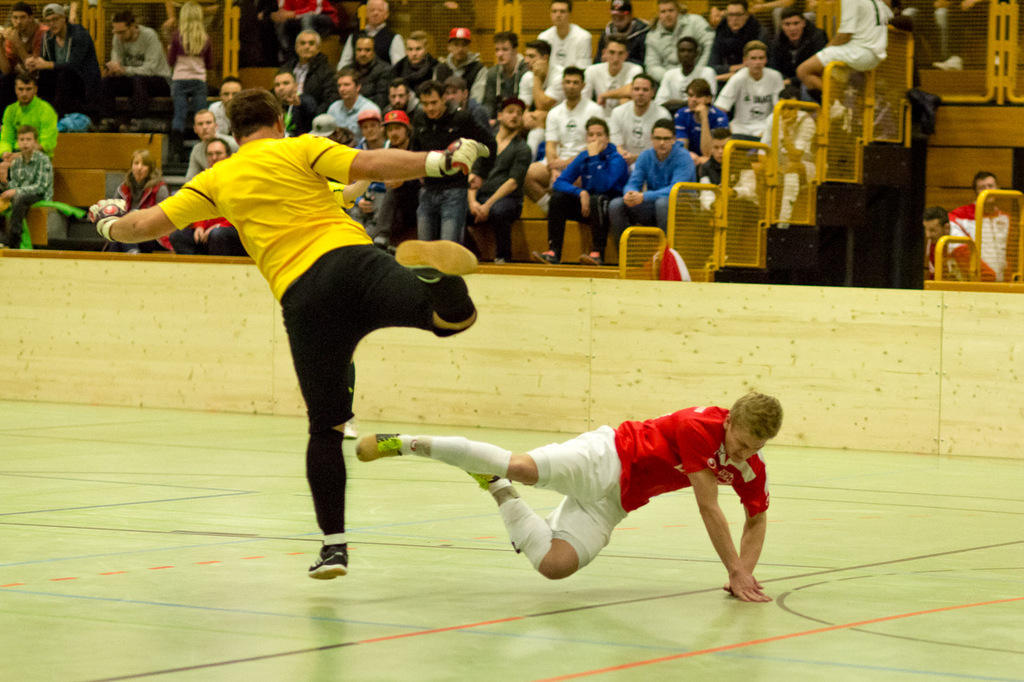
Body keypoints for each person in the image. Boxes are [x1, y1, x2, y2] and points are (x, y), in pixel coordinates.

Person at [87, 87, 491, 579]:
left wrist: (108, 225)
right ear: (279, 121)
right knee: (453, 321)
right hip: (354, 262)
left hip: (303, 297)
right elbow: (368, 164)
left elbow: (144, 226)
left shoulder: (216, 177)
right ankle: (436, 277)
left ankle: (334, 548)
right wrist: (440, 161)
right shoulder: (300, 147)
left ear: (233, 133)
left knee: (326, 428)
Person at [357, 391, 782, 600]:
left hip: (618, 501)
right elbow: (708, 505)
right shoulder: (698, 427)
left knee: (554, 565)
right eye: (740, 442)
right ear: (728, 421)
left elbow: (757, 517)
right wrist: (735, 570)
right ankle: (405, 443)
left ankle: (495, 485)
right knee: (523, 467)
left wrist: (741, 573)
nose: (742, 454)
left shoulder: (750, 466)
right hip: (608, 456)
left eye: (754, 448)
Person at [533, 117, 629, 266]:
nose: (594, 139)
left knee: (597, 199)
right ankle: (554, 252)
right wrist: (580, 192)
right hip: (588, 206)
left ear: (607, 138)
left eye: (599, 135)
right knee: (558, 198)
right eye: (591, 135)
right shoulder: (583, 156)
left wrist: (594, 157)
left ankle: (598, 253)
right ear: (586, 138)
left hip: (609, 207)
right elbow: (559, 182)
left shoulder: (617, 159)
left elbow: (602, 186)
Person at [411, 79, 496, 243]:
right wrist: (416, 170)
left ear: (444, 99)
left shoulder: (461, 118)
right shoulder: (419, 118)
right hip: (427, 189)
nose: (429, 108)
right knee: (424, 246)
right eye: (425, 104)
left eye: (434, 103)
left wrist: (480, 173)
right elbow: (414, 147)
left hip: (454, 189)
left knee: (449, 246)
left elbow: (488, 144)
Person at [523, 66, 603, 211]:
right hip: (558, 162)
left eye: (575, 83)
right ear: (562, 84)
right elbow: (550, 144)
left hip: (582, 162)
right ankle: (549, 208)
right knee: (526, 174)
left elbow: (596, 145)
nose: (571, 86)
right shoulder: (554, 112)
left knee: (576, 179)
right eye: (568, 82)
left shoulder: (595, 110)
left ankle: (565, 210)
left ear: (583, 86)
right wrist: (554, 168)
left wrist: (566, 164)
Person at [467, 97, 531, 264]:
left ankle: (503, 257)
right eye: (510, 112)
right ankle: (472, 254)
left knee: (499, 211)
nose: (515, 116)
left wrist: (487, 205)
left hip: (509, 199)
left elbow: (513, 182)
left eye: (519, 113)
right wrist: (472, 202)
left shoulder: (523, 148)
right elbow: (474, 173)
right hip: (481, 195)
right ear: (500, 115)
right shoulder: (486, 143)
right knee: (457, 208)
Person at [609, 118, 696, 240]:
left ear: (674, 139)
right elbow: (633, 182)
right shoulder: (645, 155)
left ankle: (666, 250)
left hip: (683, 207)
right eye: (658, 138)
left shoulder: (684, 157)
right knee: (616, 205)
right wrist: (630, 193)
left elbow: (674, 190)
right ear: (651, 138)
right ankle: (625, 250)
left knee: (662, 203)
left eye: (666, 139)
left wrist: (643, 196)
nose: (662, 143)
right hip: (654, 204)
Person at [168, 138, 247, 256]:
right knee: (177, 235)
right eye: (210, 154)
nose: (214, 157)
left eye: (218, 153)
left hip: (231, 230)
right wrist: (199, 226)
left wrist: (219, 226)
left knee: (217, 235)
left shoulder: (239, 179)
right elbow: (198, 206)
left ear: (229, 156)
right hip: (209, 231)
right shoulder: (204, 178)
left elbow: (241, 213)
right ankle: (196, 266)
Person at [796, 0, 892, 95]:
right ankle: (840, 97)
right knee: (825, 71)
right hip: (876, 57)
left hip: (859, 53)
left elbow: (844, 35)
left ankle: (835, 99)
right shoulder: (878, 2)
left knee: (803, 71)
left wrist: (826, 50)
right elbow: (890, 15)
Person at [100, 10, 172, 128]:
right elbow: (117, 62)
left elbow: (150, 69)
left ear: (133, 26)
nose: (119, 36)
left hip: (159, 79)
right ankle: (108, 120)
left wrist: (124, 70)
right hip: (133, 79)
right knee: (107, 82)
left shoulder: (149, 35)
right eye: (116, 32)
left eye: (122, 32)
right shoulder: (117, 37)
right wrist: (112, 70)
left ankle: (138, 121)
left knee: (139, 80)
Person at [30, 3, 102, 119]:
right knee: (43, 75)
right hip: (60, 80)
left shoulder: (79, 34)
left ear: (64, 18)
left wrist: (47, 64)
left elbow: (74, 65)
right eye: (48, 21)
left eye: (55, 19)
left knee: (65, 75)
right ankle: (43, 116)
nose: (52, 24)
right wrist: (34, 63)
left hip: (83, 82)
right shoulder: (47, 37)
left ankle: (58, 117)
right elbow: (44, 62)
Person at [167, 2, 213, 164]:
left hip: (180, 79)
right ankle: (204, 147)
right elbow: (209, 64)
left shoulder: (177, 37)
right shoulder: (205, 38)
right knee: (201, 113)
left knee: (179, 113)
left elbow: (171, 61)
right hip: (199, 79)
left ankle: (176, 153)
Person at [103, 148, 170, 254]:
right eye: (136, 163)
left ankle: (130, 255)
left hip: (153, 234)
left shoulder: (159, 188)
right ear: (131, 166)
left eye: (144, 165)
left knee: (123, 235)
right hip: (128, 231)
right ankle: (130, 253)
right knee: (117, 237)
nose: (139, 168)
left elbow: (163, 217)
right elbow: (114, 213)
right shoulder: (123, 188)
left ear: (150, 168)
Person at [714, 40, 783, 141]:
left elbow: (780, 109)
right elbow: (720, 108)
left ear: (766, 60)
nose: (757, 62)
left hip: (765, 128)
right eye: (753, 58)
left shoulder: (775, 76)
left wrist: (769, 129)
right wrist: (726, 130)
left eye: (761, 58)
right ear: (745, 61)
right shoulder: (738, 78)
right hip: (739, 128)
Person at [947, 171, 1007, 282]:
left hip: (1004, 283)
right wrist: (987, 275)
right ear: (975, 192)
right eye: (982, 187)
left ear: (998, 188)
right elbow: (959, 250)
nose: (987, 190)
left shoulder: (1006, 218)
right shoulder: (960, 216)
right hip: (976, 281)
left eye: (990, 186)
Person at [0, 125, 52, 249]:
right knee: (6, 196)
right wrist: (4, 182)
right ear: (18, 142)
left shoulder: (43, 160)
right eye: (22, 140)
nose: (25, 143)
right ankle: (1, 237)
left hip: (39, 195)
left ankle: (14, 240)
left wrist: (15, 191)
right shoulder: (17, 162)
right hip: (21, 193)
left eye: (28, 139)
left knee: (19, 198)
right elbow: (14, 184)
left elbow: (41, 187)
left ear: (35, 142)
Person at [374, 108, 419, 249]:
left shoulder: (417, 146)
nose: (393, 133)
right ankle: (383, 239)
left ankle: (382, 234)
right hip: (401, 204)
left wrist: (404, 181)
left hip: (421, 197)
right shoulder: (389, 152)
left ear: (407, 130)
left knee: (393, 192)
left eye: (398, 128)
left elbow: (427, 177)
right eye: (390, 130)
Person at [609, 73, 671, 166]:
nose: (640, 93)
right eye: (636, 89)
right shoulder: (617, 112)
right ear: (631, 91)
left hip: (653, 162)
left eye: (645, 90)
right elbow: (616, 145)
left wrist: (637, 158)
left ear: (652, 93)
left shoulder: (663, 115)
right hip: (624, 161)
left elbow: (663, 147)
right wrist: (624, 155)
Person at [644, 0, 714, 83]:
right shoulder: (652, 36)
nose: (667, 15)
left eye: (671, 10)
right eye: (663, 12)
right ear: (658, 15)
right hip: (668, 80)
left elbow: (710, 46)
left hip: (698, 76)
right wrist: (673, 79)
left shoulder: (696, 22)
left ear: (678, 11)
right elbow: (652, 66)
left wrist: (698, 73)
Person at [471, 31, 529, 125]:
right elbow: (489, 103)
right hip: (499, 120)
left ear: (515, 51)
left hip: (520, 118)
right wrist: (487, 119)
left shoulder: (526, 72)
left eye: (505, 49)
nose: (500, 54)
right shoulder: (492, 73)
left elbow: (526, 104)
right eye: (497, 50)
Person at [0, 2, 47, 110]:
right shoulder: (13, 33)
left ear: (31, 18)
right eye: (15, 18)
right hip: (21, 75)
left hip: (41, 75)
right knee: (4, 79)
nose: (18, 22)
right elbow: (6, 70)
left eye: (22, 17)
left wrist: (17, 43)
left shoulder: (42, 33)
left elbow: (34, 68)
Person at [583, 35, 643, 119]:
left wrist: (605, 95)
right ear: (604, 53)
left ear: (626, 55)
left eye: (620, 53)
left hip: (623, 118)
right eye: (612, 52)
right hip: (599, 118)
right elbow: (584, 99)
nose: (616, 58)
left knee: (625, 99)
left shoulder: (635, 69)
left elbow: (631, 89)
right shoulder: (592, 70)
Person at [280, 30, 339, 114]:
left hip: (312, 114)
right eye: (302, 43)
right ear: (296, 47)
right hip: (287, 110)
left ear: (318, 48)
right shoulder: (287, 68)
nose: (306, 47)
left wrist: (314, 115)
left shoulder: (327, 70)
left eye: (311, 43)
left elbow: (331, 99)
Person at [768, 7, 827, 89]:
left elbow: (818, 69)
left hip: (810, 81)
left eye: (796, 23)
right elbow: (774, 68)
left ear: (803, 23)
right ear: (781, 26)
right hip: (785, 84)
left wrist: (792, 81)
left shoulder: (817, 37)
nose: (792, 29)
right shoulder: (777, 42)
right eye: (787, 24)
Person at [655, 36, 719, 110]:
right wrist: (691, 102)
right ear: (677, 53)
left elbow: (709, 101)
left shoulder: (708, 72)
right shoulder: (669, 74)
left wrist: (675, 103)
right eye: (682, 51)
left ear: (696, 53)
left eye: (689, 51)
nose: (685, 54)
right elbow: (659, 103)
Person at [674, 78, 730, 162]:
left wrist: (704, 118)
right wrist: (691, 157)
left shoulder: (720, 117)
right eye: (690, 95)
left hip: (714, 161)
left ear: (708, 99)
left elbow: (708, 152)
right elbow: (682, 148)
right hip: (690, 158)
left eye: (698, 96)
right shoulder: (681, 114)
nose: (693, 99)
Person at [337, 0, 405, 68]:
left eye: (380, 10)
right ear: (366, 13)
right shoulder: (353, 36)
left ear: (386, 15)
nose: (375, 13)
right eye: (372, 10)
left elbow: (399, 68)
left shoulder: (394, 38)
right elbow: (344, 64)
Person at [709, 0, 766, 80]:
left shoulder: (758, 31)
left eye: (738, 15)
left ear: (747, 15)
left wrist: (725, 73)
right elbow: (712, 65)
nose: (734, 19)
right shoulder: (721, 29)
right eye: (730, 15)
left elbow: (757, 65)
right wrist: (733, 68)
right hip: (727, 76)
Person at [326, 68, 382, 146]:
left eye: (346, 85)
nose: (342, 89)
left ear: (358, 87)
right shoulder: (333, 108)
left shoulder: (370, 109)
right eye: (339, 86)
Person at [270, 0, 339, 61]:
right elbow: (284, 11)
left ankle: (310, 55)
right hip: (300, 19)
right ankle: (287, 55)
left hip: (324, 19)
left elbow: (315, 9)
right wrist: (282, 15)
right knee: (281, 21)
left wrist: (294, 13)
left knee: (307, 18)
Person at [537, 0, 593, 70]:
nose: (558, 15)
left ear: (570, 14)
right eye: (554, 11)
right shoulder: (543, 37)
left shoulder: (583, 37)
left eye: (562, 11)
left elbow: (583, 67)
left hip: (573, 76)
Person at [343, 33, 392, 110]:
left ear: (374, 52)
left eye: (367, 50)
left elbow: (381, 100)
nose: (363, 54)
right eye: (359, 50)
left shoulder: (385, 70)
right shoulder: (346, 70)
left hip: (372, 112)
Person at [185, 109, 239, 180]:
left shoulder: (234, 144)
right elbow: (190, 179)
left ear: (216, 126)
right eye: (200, 124)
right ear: (195, 129)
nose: (204, 127)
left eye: (208, 123)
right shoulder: (196, 150)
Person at [596, 0, 650, 67]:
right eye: (614, 16)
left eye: (621, 16)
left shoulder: (642, 34)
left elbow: (645, 63)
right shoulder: (607, 33)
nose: (617, 19)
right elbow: (597, 60)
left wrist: (619, 59)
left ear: (630, 15)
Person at [434, 27, 483, 91]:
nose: (460, 49)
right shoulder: (440, 68)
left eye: (464, 45)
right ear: (449, 47)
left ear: (469, 47)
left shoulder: (478, 69)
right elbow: (436, 92)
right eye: (456, 44)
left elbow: (478, 94)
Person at [390, 31, 438, 95]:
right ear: (406, 51)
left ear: (426, 50)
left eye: (418, 49)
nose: (414, 54)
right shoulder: (397, 69)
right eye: (410, 49)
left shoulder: (435, 67)